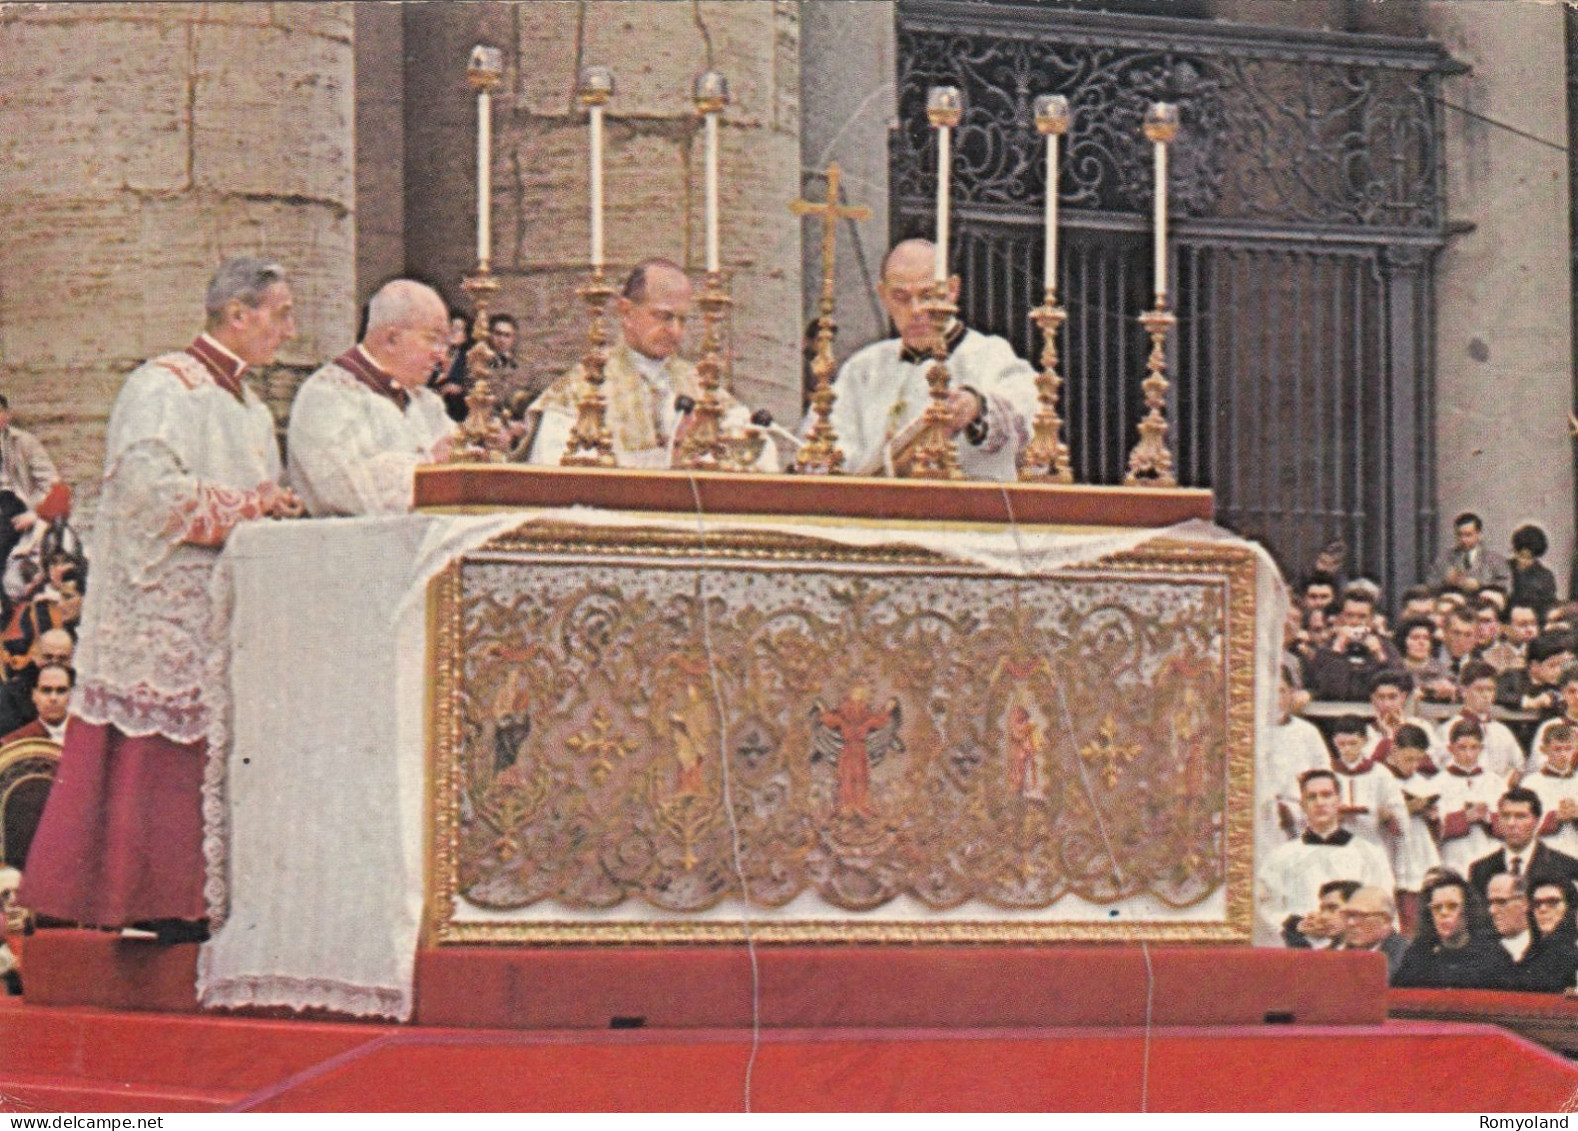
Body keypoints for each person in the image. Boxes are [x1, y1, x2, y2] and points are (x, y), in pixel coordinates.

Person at [19, 257, 304, 944]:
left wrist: (275, 507)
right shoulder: (162, 385)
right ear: (239, 315)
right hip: (160, 611)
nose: (290, 330)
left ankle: (198, 906)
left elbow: (254, 499)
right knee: (154, 757)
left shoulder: (252, 406)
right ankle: (142, 900)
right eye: (282, 313)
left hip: (224, 610)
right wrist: (249, 505)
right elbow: (149, 496)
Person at [815, 239, 1038, 480]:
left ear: (952, 290)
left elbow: (1027, 410)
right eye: (901, 297)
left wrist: (976, 405)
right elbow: (829, 444)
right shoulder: (863, 368)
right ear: (884, 295)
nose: (915, 310)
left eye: (927, 295)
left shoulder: (989, 354)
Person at [527, 259, 770, 469]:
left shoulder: (701, 384)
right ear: (626, 312)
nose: (675, 331)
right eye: (663, 317)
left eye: (682, 320)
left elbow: (758, 452)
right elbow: (551, 468)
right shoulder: (582, 386)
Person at [287, 279, 456, 516]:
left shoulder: (426, 403)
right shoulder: (327, 395)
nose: (442, 356)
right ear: (392, 339)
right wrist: (429, 464)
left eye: (445, 343)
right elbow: (348, 488)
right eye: (432, 339)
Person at [1256, 769, 1394, 944]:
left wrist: (1346, 922)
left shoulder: (1370, 853)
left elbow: (1383, 903)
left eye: (1326, 795)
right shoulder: (1281, 856)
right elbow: (1266, 906)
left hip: (1353, 949)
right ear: (1303, 805)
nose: (1320, 802)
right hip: (1297, 948)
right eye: (1312, 797)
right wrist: (1297, 924)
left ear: (1339, 800)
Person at [1393, 872, 1516, 989]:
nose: (1443, 913)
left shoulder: (1494, 956)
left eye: (1452, 906)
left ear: (1468, 910)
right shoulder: (1417, 955)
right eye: (1437, 908)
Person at [1467, 787, 1578, 897]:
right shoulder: (1480, 870)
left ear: (1536, 821)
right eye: (1506, 816)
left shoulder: (1565, 867)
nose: (1511, 823)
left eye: (1521, 816)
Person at [1436, 719, 1511, 877]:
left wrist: (1488, 817)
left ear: (1481, 748)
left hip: (1489, 857)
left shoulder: (1495, 781)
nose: (1469, 754)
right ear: (1451, 748)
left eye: (1474, 747)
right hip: (1454, 857)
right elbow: (1434, 827)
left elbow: (1510, 821)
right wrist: (1464, 818)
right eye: (1462, 748)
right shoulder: (1438, 783)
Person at [0, 394, 62, 571]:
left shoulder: (24, 443)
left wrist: (37, 513)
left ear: (7, 415)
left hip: (17, 506)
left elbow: (53, 485)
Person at [1306, 588, 1402, 701]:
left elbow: (1398, 687)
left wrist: (1380, 656)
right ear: (1341, 618)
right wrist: (1337, 651)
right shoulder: (1326, 650)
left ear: (1371, 620)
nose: (1355, 622)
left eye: (1362, 617)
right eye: (1349, 615)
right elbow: (1329, 692)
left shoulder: (1386, 648)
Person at [1524, 723, 1578, 858]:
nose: (1563, 755)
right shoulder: (1531, 784)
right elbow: (1524, 825)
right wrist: (1556, 817)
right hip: (1546, 855)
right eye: (1557, 749)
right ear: (1544, 749)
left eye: (1568, 749)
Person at [1515, 877, 1578, 992]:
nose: (1542, 909)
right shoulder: (1531, 953)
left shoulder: (1572, 955)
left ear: (1569, 908)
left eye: (1552, 902)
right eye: (1537, 903)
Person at [1335, 885, 1410, 979]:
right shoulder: (1336, 949)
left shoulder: (1406, 956)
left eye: (1359, 915)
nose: (1351, 923)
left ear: (1385, 921)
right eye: (1347, 915)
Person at [1429, 512, 1510, 595]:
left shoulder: (1495, 560)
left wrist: (1480, 586)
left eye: (1468, 535)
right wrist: (1446, 582)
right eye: (1459, 535)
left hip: (1483, 606)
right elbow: (1431, 584)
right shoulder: (1444, 559)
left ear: (1479, 535)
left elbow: (1505, 587)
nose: (1463, 540)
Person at [0, 662, 72, 745]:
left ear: (71, 694)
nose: (53, 698)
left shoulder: (87, 737)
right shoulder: (11, 743)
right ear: (34, 695)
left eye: (61, 690)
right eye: (46, 690)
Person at [1508, 524, 1559, 623]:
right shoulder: (1504, 568)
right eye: (1521, 556)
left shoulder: (1545, 576)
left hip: (1533, 624)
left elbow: (1548, 606)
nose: (1524, 561)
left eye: (1529, 558)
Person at [1486, 873, 1532, 964]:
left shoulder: (1546, 949)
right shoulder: (1484, 954)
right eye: (1490, 903)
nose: (1492, 911)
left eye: (1501, 902)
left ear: (1524, 903)